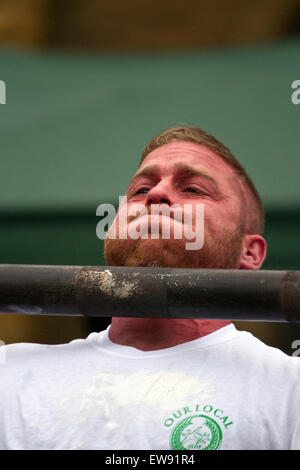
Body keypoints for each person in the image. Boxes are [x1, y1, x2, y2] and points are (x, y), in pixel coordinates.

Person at [0, 126, 299, 450]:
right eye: (141, 189)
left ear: (249, 252)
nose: (157, 194)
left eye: (194, 190)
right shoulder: (10, 374)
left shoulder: (288, 388)